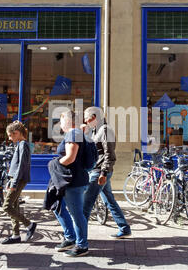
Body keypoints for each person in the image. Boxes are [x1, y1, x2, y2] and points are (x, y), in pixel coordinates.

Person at [81, 107, 132, 239]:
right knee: (110, 201)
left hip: (99, 172)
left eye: (86, 118)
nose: (85, 121)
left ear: (94, 117)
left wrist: (103, 173)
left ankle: (78, 237)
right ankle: (124, 228)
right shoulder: (95, 131)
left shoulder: (105, 130)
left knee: (86, 204)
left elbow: (110, 154)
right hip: (97, 170)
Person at [54, 110, 90, 257]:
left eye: (61, 121)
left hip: (73, 180)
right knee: (57, 206)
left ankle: (82, 245)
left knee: (77, 214)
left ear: (68, 121)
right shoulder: (77, 133)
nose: (60, 125)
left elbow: (70, 157)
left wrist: (54, 163)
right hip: (72, 179)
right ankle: (70, 237)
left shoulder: (73, 133)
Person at [1, 121, 37, 244]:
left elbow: (22, 165)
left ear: (16, 133)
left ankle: (30, 225)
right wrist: (10, 180)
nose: (10, 139)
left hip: (18, 179)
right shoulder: (21, 144)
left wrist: (14, 183)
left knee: (6, 206)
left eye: (10, 135)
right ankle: (15, 235)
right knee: (14, 207)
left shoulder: (23, 145)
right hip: (15, 178)